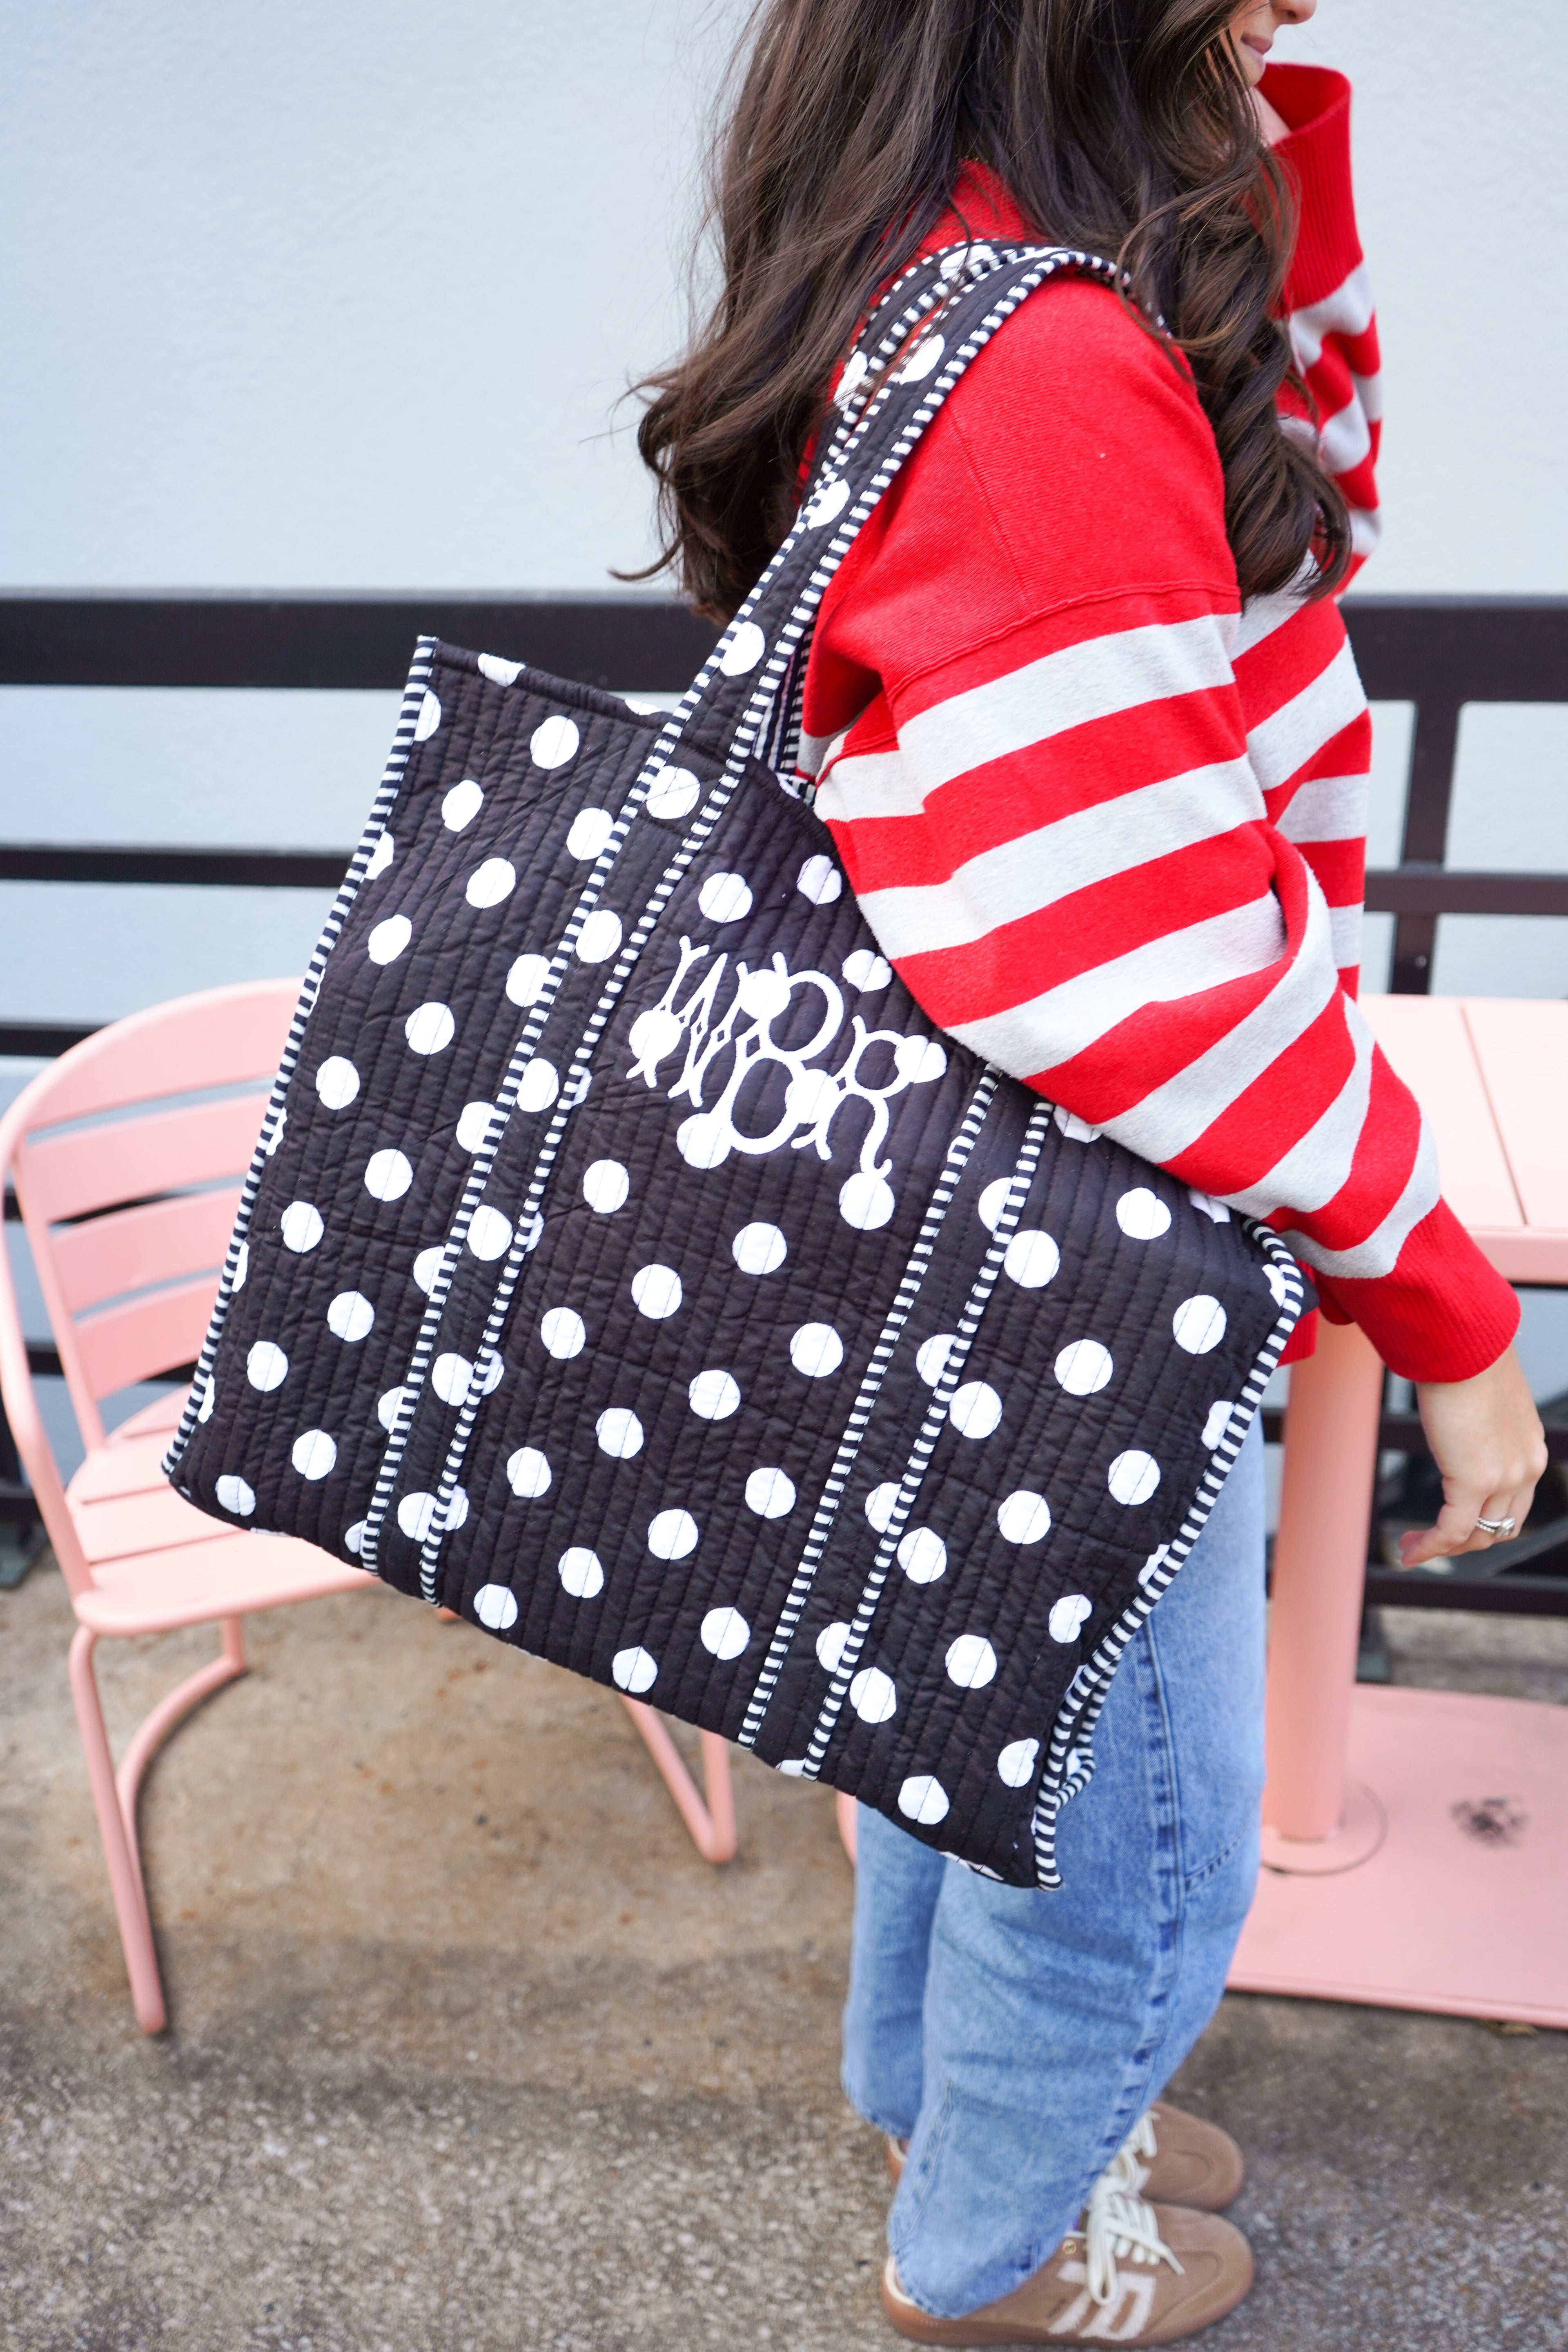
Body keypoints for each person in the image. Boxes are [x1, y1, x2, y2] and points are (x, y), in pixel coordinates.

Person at [632, 1, 1549, 2339]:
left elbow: (1301, 506)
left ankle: (962, 2113)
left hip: (977, 1220)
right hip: (1082, 1255)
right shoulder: (1045, 361)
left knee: (974, 1730)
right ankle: (1000, 2255)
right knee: (1130, 1842)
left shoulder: (997, 267)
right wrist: (1445, 1309)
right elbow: (1128, 965)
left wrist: (1264, 153)